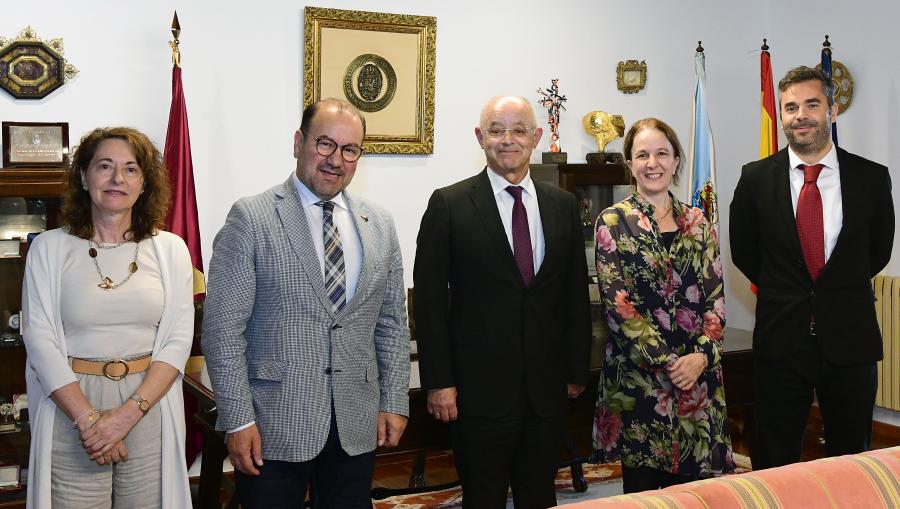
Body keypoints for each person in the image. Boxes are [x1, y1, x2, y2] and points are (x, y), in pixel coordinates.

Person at [202, 98, 410, 508]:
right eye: (325, 144)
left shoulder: (380, 224)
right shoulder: (252, 217)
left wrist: (394, 400)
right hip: (273, 424)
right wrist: (239, 418)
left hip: (355, 421)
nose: (336, 159)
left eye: (350, 150)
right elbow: (223, 330)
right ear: (299, 142)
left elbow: (392, 324)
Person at [414, 96, 592, 509]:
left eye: (518, 130)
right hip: (478, 395)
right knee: (484, 500)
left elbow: (574, 296)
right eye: (496, 130)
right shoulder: (449, 205)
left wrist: (575, 369)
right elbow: (429, 302)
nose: (507, 139)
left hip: (546, 393)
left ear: (536, 137)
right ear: (480, 137)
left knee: (539, 497)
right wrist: (439, 382)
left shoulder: (562, 205)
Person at [730, 66, 894, 469]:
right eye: (790, 107)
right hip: (781, 340)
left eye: (811, 104)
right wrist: (788, 290)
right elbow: (744, 253)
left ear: (832, 111)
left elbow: (878, 252)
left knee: (851, 461)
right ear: (782, 116)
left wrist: (832, 289)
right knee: (774, 459)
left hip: (850, 341)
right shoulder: (754, 180)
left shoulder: (871, 178)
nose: (800, 115)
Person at [21, 127, 194, 508]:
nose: (118, 179)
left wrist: (126, 416)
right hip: (70, 403)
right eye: (105, 166)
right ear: (83, 177)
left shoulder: (171, 250)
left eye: (131, 169)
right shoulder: (49, 249)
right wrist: (89, 421)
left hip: (148, 401)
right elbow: (39, 340)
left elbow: (178, 340)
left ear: (144, 182)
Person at [591, 118, 733, 493]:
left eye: (661, 153)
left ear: (675, 161)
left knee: (696, 494)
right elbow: (619, 306)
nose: (652, 163)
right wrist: (670, 364)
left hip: (696, 381)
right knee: (643, 495)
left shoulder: (699, 222)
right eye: (642, 154)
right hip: (641, 382)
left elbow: (715, 300)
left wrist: (700, 358)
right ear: (630, 163)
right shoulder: (612, 221)